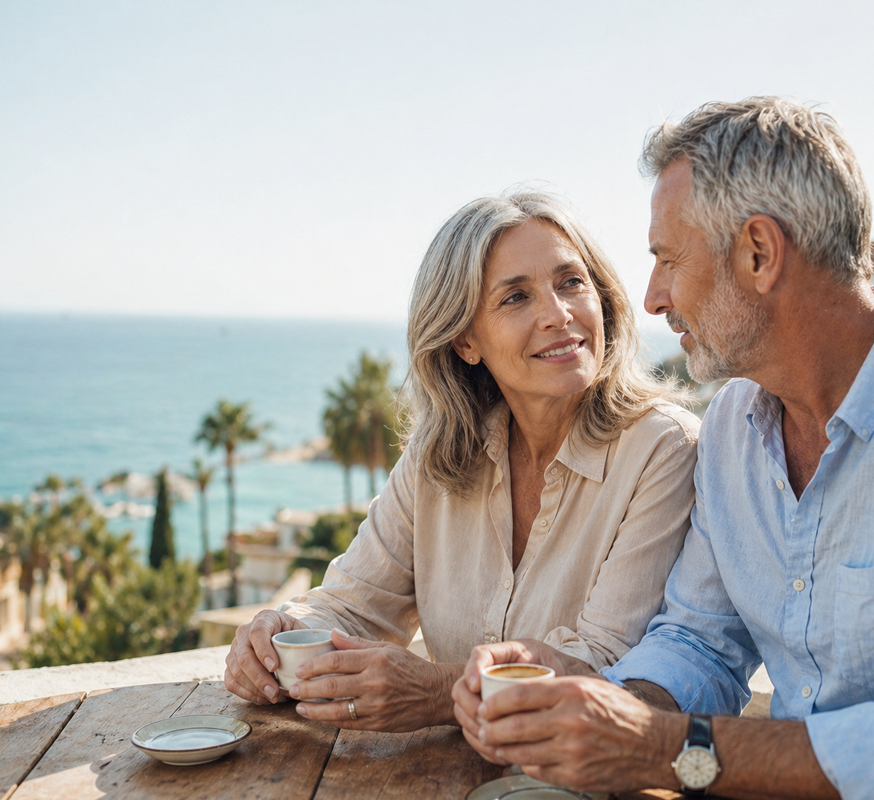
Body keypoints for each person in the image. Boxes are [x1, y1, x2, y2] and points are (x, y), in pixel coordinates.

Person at [453, 98, 874, 799]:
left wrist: (664, 749)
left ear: (759, 253)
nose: (650, 297)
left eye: (668, 259)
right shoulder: (735, 424)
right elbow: (701, 641)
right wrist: (605, 699)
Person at [223, 191, 700, 733]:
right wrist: (277, 631)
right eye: (516, 297)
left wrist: (438, 692)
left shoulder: (663, 449)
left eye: (572, 282)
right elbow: (355, 605)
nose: (559, 315)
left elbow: (604, 663)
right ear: (465, 341)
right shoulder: (438, 456)